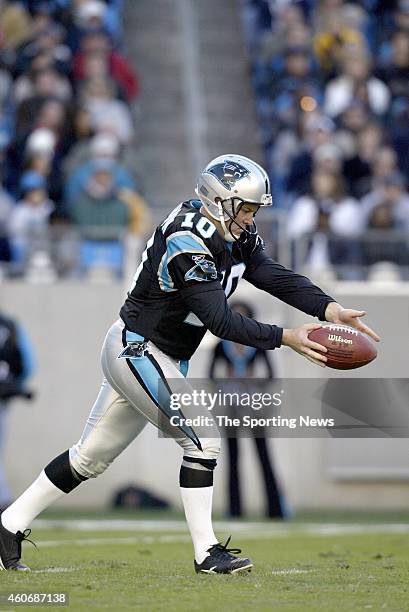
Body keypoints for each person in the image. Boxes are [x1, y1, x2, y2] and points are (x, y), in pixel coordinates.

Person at [0, 154, 380, 574]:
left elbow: (270, 273)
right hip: (138, 349)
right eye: (247, 208)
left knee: (89, 459)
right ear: (220, 202)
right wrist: (285, 337)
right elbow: (219, 320)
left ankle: (8, 524)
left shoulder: (230, 231)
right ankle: (206, 553)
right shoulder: (189, 238)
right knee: (204, 439)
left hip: (161, 354)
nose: (251, 218)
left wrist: (328, 309)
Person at [208, 301, 285, 519]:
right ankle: (234, 510)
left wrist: (252, 380)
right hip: (231, 405)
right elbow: (211, 376)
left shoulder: (257, 344)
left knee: (263, 456)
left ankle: (275, 510)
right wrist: (228, 381)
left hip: (254, 406)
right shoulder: (220, 346)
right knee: (233, 459)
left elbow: (271, 375)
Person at [0, 310, 34, 512]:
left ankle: (4, 503)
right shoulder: (9, 324)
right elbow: (27, 366)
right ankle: (4, 502)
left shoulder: (9, 324)